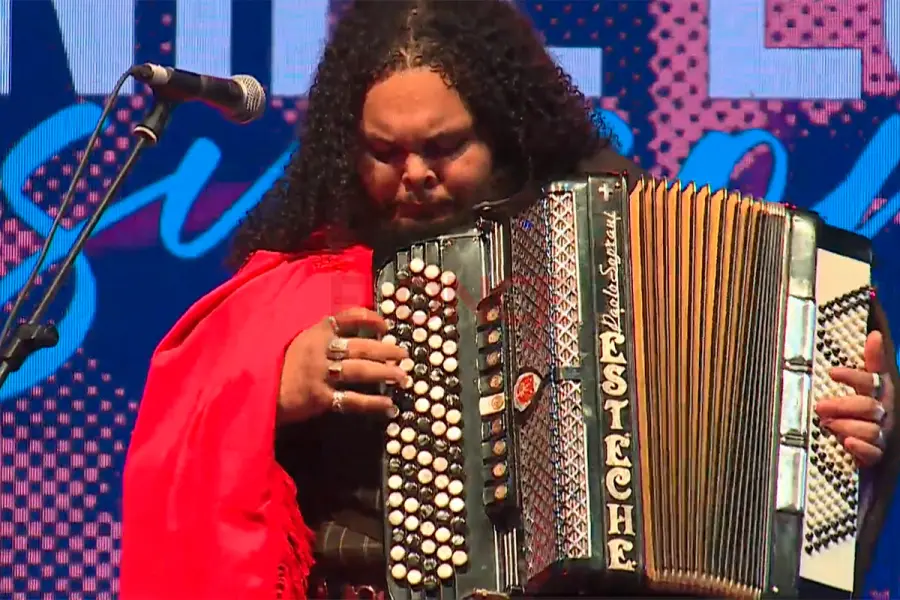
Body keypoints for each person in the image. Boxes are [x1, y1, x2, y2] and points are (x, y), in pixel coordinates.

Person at [118, 1, 900, 599]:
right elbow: (185, 434)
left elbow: (801, 419)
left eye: (444, 146)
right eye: (383, 151)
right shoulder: (307, 270)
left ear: (502, 131)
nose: (413, 175)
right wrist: (275, 389)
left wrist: (854, 422)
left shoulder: (616, 222)